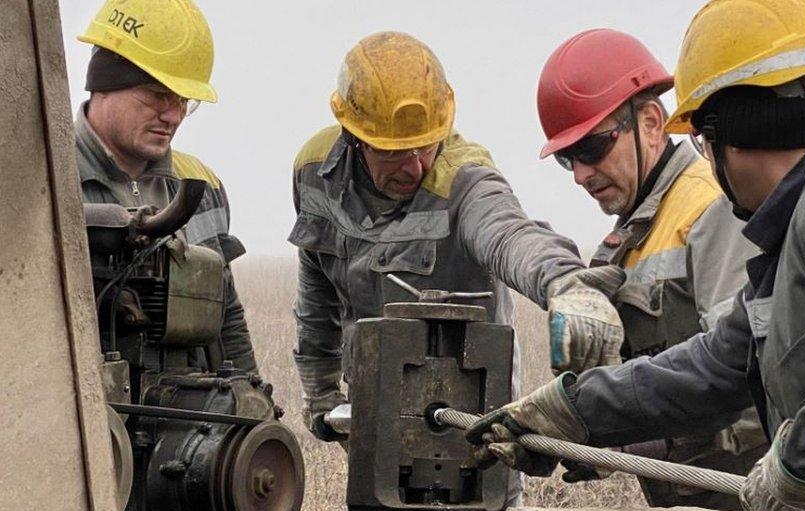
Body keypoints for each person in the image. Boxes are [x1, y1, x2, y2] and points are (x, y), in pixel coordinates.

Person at [467, 1, 805, 511]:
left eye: (705, 144)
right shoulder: (802, 227)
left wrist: (797, 464)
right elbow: (717, 363)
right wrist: (571, 410)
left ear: (731, 134)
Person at [289, 31, 623, 447]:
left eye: (425, 146)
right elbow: (317, 284)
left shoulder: (464, 178)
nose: (414, 167)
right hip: (372, 408)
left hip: (470, 419)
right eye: (393, 151)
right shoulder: (314, 171)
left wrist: (565, 284)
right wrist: (320, 390)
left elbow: (509, 234)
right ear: (355, 138)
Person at [535, 28, 765, 510]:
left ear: (652, 123)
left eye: (593, 148)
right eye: (566, 159)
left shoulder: (712, 209)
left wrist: (636, 441)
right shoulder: (633, 236)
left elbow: (754, 391)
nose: (580, 174)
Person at [76, 0, 257, 372]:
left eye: (183, 100)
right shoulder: (46, 183)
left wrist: (253, 408)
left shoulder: (202, 185)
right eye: (158, 95)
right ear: (104, 83)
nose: (173, 116)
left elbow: (227, 321)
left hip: (188, 421)